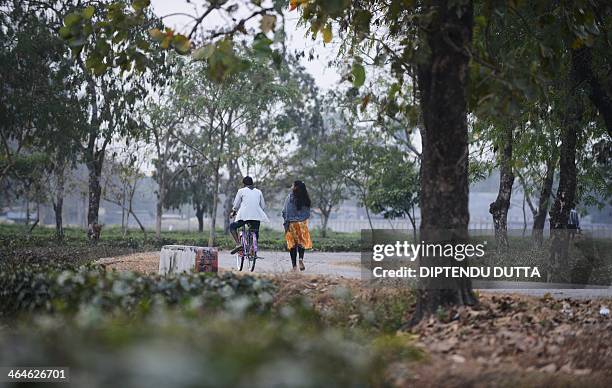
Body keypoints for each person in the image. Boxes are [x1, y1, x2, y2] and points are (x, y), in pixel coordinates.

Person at [229, 176, 269, 254]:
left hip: (244, 216)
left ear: (244, 184)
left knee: (232, 227)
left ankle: (238, 244)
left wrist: (233, 212)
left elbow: (236, 206)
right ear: (252, 184)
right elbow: (263, 206)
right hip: (256, 216)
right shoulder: (259, 192)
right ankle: (253, 248)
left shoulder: (241, 191)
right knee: (255, 231)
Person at [282, 180, 312, 271]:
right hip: (302, 224)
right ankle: (301, 259)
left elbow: (285, 211)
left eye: (292, 185)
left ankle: (294, 267)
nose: (291, 186)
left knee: (292, 245)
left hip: (292, 224)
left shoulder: (290, 197)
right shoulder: (306, 198)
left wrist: (286, 220)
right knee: (301, 243)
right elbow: (307, 213)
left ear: (295, 187)